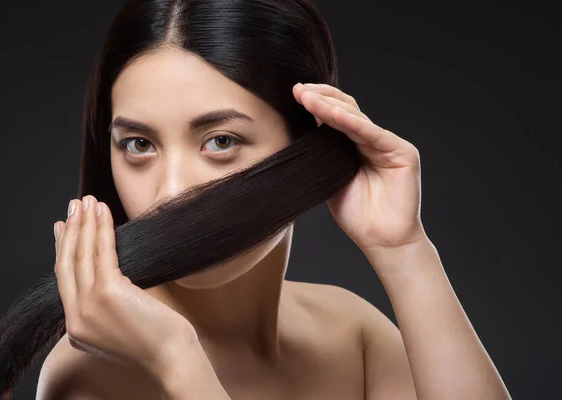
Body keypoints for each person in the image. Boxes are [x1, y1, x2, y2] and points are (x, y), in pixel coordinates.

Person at [36, 0, 512, 399]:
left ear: (307, 146)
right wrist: (174, 356)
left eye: (220, 141)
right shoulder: (89, 376)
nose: (172, 192)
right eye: (139, 144)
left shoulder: (349, 333)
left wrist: (402, 248)